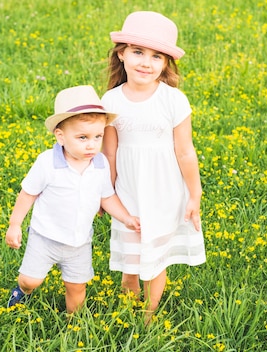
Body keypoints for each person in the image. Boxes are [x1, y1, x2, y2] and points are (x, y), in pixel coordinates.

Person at [101, 11, 206, 323]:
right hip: (128, 190)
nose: (146, 63)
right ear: (121, 54)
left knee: (155, 257)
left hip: (164, 189)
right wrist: (105, 196)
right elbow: (109, 154)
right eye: (137, 52)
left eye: (156, 56)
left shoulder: (173, 100)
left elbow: (185, 152)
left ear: (165, 64)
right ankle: (125, 309)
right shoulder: (111, 100)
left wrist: (194, 195)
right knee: (130, 257)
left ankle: (149, 316)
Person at [5, 85, 141, 314]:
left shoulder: (100, 164)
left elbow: (106, 196)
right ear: (61, 136)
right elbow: (28, 193)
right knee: (31, 280)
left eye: (98, 136)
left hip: (79, 242)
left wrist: (126, 218)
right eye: (82, 137)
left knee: (77, 288)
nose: (91, 144)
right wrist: (14, 224)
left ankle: (73, 325)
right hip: (44, 238)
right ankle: (23, 291)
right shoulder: (47, 162)